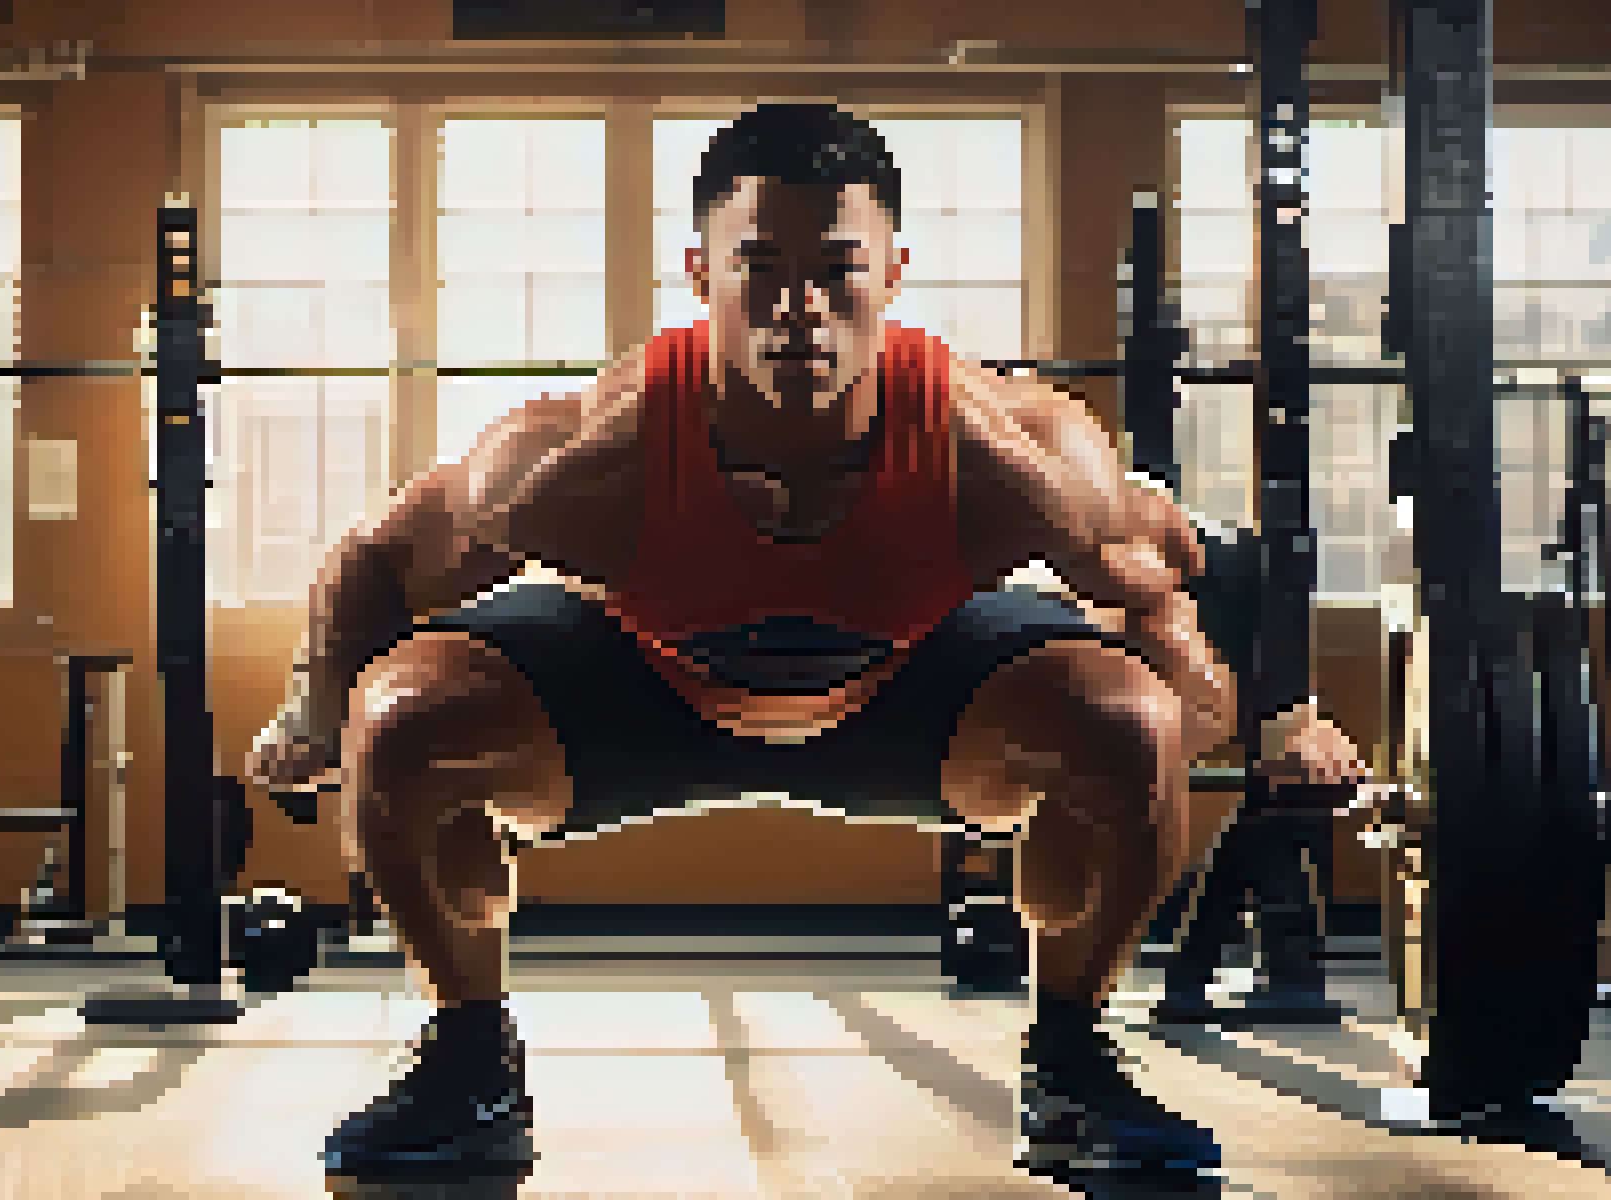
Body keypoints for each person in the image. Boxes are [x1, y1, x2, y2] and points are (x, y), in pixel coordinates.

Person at [246, 103, 1369, 1183]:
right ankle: (467, 1064)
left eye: (835, 269)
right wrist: (309, 708)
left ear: (891, 273)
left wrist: (1263, 711)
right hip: (645, 686)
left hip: (908, 692)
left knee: (1130, 722)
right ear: (700, 276)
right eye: (760, 270)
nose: (799, 310)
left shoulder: (998, 449)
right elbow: (378, 558)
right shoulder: (587, 452)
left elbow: (1183, 560)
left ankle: (1072, 1060)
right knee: (401, 714)